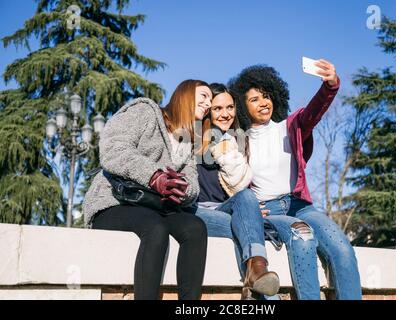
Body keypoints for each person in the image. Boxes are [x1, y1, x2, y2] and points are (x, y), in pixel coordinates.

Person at [228, 61, 362, 300]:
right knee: (302, 237)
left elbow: (314, 111)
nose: (263, 103)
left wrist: (329, 86)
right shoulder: (239, 142)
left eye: (266, 96)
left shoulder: (289, 127)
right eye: (254, 99)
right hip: (269, 212)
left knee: (342, 249)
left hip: (301, 206)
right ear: (242, 106)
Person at [82, 80, 211, 300]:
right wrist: (154, 176)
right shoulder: (145, 111)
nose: (208, 103)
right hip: (114, 202)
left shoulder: (189, 141)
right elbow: (113, 150)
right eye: (204, 96)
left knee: (195, 227)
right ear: (185, 94)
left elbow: (192, 185)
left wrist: (180, 188)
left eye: (210, 99)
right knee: (155, 228)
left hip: (156, 206)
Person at [192, 83, 280, 298]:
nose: (225, 114)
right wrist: (251, 219)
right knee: (246, 230)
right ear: (208, 111)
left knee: (248, 197)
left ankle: (257, 273)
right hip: (196, 212)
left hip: (225, 210)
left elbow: (241, 185)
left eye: (229, 107)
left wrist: (225, 145)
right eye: (217, 109)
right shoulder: (190, 137)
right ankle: (261, 284)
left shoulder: (235, 142)